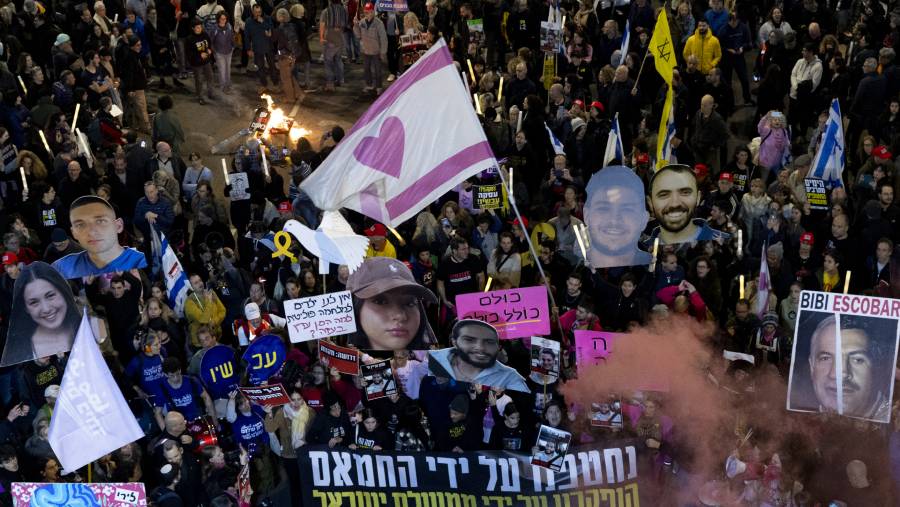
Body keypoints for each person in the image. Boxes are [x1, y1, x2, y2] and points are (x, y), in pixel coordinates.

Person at [793, 314, 894, 421]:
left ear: (876, 368)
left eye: (857, 360)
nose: (839, 374)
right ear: (812, 367)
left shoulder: (894, 425)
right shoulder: (795, 421)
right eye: (825, 358)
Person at [347, 257, 438, 350]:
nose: (400, 316)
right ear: (356, 308)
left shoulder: (436, 362)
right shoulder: (337, 363)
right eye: (380, 301)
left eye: (410, 303)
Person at [1, 262, 80, 366]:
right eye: (34, 302)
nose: (46, 309)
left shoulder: (84, 325)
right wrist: (39, 364)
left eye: (50, 295)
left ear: (63, 292)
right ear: (25, 308)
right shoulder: (25, 347)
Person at [52, 195, 147, 278]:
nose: (92, 232)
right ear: (74, 233)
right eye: (81, 225)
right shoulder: (61, 268)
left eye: (100, 221)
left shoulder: (137, 260)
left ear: (118, 226)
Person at [428, 320, 529, 392]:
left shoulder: (507, 373)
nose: (478, 346)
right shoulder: (439, 361)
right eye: (469, 339)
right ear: (454, 341)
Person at [583, 166, 651, 268]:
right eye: (603, 208)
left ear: (644, 220)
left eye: (627, 210)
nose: (614, 220)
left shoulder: (656, 269)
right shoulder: (570, 267)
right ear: (586, 215)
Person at [647, 164, 728, 244]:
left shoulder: (710, 191)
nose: (675, 203)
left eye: (685, 192)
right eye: (664, 195)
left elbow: (707, 209)